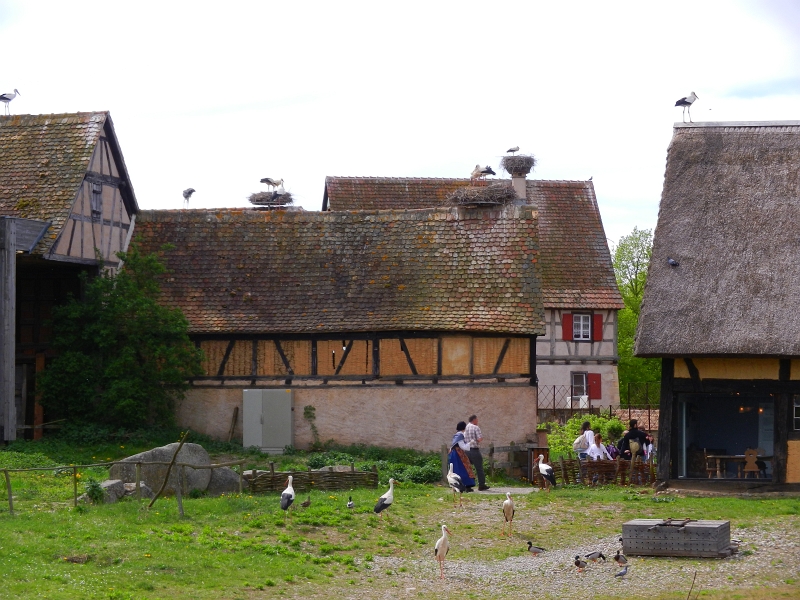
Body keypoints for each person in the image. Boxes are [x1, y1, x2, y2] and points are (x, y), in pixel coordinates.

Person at [448, 421, 476, 492]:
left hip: (455, 454)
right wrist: (470, 443)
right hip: (459, 454)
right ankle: (466, 485)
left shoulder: (456, 435)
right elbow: (463, 446)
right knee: (464, 469)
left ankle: (456, 486)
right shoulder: (460, 435)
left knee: (456, 470)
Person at [465, 415, 490, 490]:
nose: (478, 421)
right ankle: (481, 485)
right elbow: (479, 438)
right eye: (477, 419)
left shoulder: (465, 428)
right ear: (474, 419)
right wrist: (478, 439)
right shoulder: (476, 427)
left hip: (467, 450)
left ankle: (467, 485)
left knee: (467, 468)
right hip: (474, 450)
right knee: (479, 468)